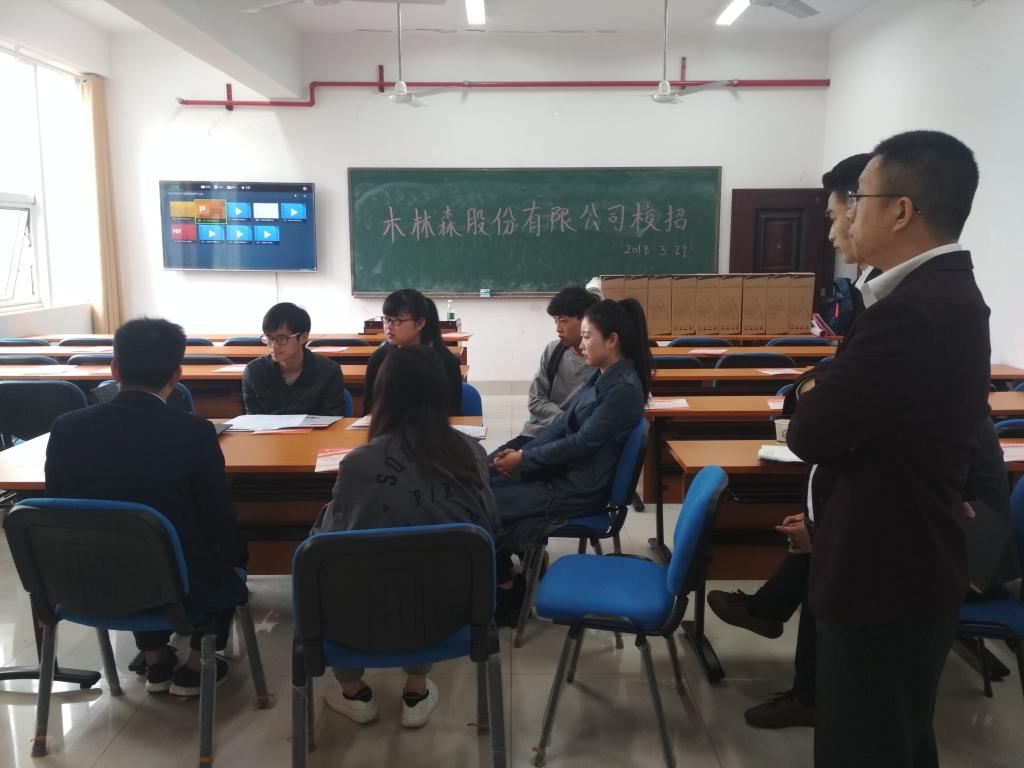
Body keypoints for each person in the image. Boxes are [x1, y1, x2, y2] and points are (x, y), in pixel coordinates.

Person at [785, 130, 989, 767]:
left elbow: (808, 432)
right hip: (902, 563)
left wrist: (814, 390)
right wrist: (821, 388)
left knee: (866, 744)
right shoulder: (935, 294)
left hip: (884, 573)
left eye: (860, 200)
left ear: (901, 210)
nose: (848, 217)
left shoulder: (914, 311)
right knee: (894, 739)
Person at [705, 151, 875, 728]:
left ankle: (799, 674)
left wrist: (824, 522)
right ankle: (780, 633)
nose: (830, 232)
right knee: (816, 559)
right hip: (851, 504)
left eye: (834, 215)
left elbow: (826, 425)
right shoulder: (882, 300)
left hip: (877, 525)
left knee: (823, 566)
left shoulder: (905, 311)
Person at [707, 418, 1018, 730]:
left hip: (969, 564)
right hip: (952, 547)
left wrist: (822, 530)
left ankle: (805, 689)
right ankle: (770, 618)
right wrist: (823, 520)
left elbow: (906, 512)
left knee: (832, 561)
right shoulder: (933, 409)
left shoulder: (937, 422)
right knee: (828, 547)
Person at [45, 318, 247, 697]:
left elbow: (57, 507)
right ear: (176, 375)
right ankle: (196, 666)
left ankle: (156, 660)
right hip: (176, 586)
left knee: (129, 540)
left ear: (114, 369)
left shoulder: (66, 427)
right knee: (224, 553)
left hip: (86, 580)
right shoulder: (194, 432)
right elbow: (218, 520)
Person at [311, 345, 499, 728]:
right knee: (427, 566)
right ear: (443, 395)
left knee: (331, 568)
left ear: (383, 394)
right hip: (449, 612)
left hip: (358, 617)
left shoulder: (357, 464)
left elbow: (327, 543)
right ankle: (416, 689)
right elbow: (491, 525)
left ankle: (354, 692)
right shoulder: (471, 453)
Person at [489, 298, 649, 620]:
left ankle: (507, 593)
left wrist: (525, 460)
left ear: (612, 340)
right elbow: (562, 425)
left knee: (484, 504)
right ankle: (509, 573)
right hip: (564, 473)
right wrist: (523, 454)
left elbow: (581, 443)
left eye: (587, 336)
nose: (581, 343)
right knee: (486, 484)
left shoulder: (622, 389)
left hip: (577, 489)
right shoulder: (602, 374)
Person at [498, 286, 598, 453]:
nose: (558, 328)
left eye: (564, 321)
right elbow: (536, 400)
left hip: (569, 442)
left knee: (506, 466)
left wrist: (568, 426)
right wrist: (565, 421)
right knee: (486, 465)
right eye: (555, 321)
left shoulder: (600, 362)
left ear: (585, 321)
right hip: (537, 433)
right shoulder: (553, 351)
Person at [362, 289, 462, 416]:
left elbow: (451, 413)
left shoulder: (446, 362)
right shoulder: (379, 359)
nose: (388, 326)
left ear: (419, 323)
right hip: (388, 427)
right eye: (386, 319)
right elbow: (369, 410)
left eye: (397, 320)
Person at [242, 302, 346, 415]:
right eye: (269, 338)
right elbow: (252, 420)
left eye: (281, 339)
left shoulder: (329, 371)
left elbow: (333, 420)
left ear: (304, 337)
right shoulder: (254, 372)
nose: (274, 346)